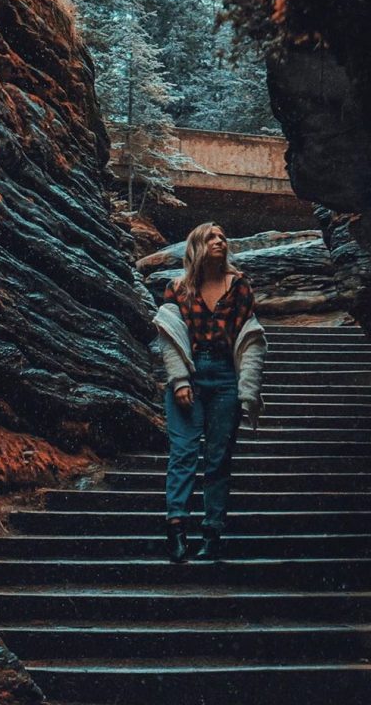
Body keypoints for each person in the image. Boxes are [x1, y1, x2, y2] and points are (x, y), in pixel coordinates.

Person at [153, 222, 267, 562]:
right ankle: (176, 529)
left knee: (218, 459)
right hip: (190, 371)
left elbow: (250, 336)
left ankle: (213, 533)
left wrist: (248, 387)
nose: (220, 240)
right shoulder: (177, 288)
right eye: (211, 237)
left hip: (224, 377)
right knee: (184, 453)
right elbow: (168, 337)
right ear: (197, 246)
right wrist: (179, 380)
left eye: (222, 236)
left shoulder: (240, 286)